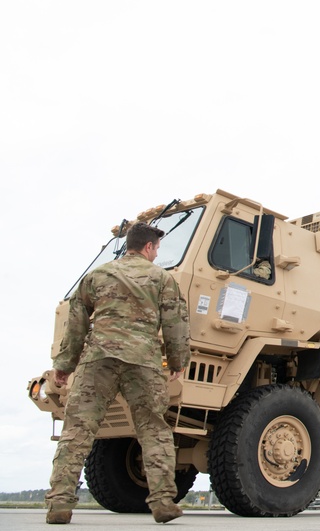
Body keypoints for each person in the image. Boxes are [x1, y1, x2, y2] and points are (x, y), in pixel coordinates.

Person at [44, 223, 191, 525]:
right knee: (153, 429)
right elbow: (176, 323)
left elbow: (76, 325)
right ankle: (162, 502)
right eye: (157, 249)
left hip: (99, 359)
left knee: (78, 430)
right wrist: (178, 362)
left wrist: (64, 366)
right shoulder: (162, 278)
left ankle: (59, 504)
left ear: (129, 245)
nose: (156, 254)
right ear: (149, 247)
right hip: (143, 361)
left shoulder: (97, 276)